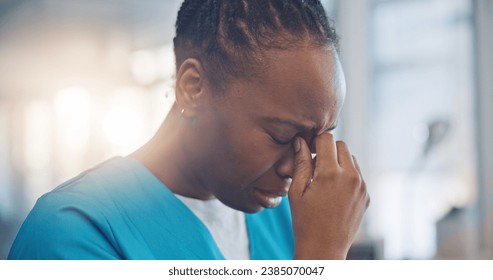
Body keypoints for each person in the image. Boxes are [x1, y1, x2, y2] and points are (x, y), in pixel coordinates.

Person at [8, 0, 369, 260]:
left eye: (317, 138)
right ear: (193, 87)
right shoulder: (74, 231)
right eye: (281, 135)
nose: (298, 167)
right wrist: (320, 260)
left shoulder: (289, 217)